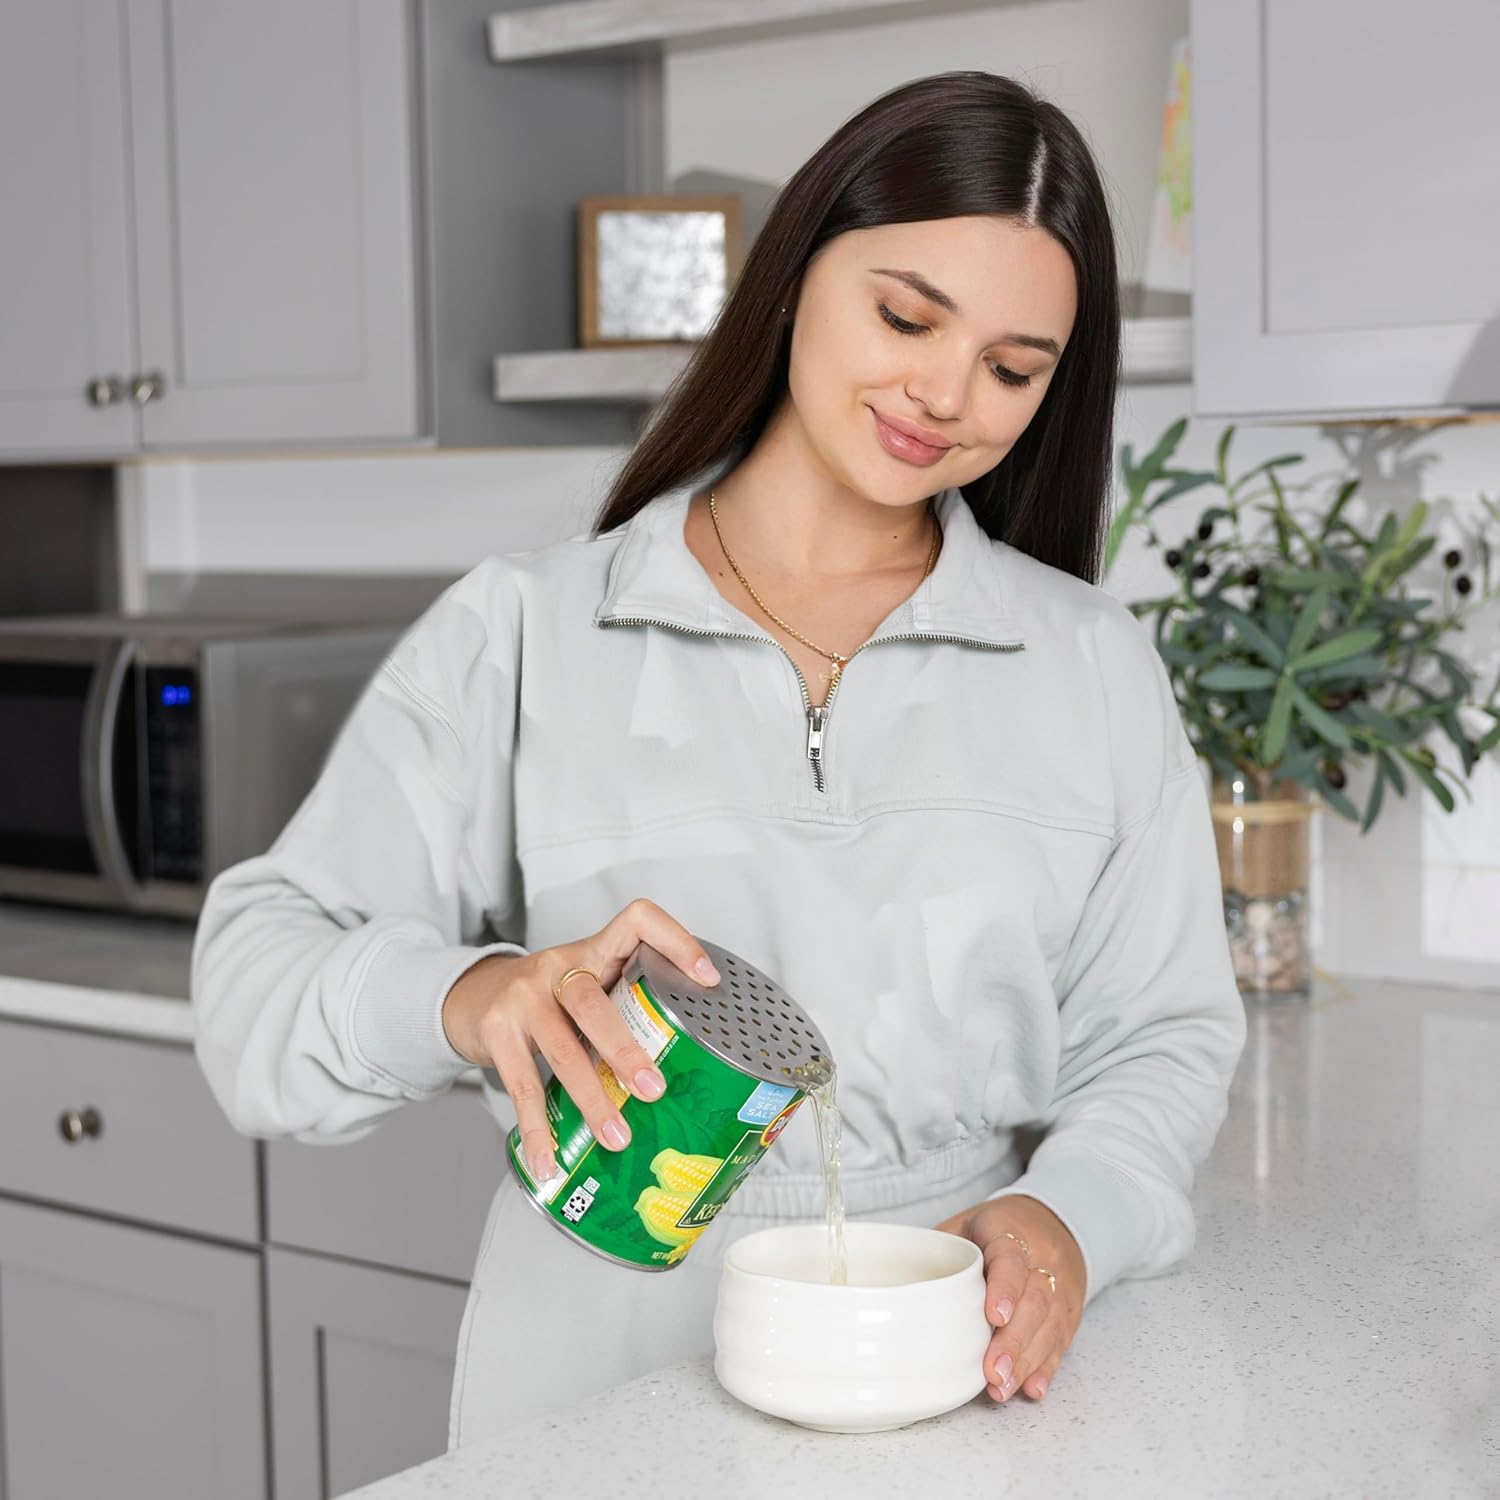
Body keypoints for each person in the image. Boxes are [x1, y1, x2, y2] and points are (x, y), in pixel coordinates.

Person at [190, 69, 1246, 1449]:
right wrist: (475, 995)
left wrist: (1070, 1218)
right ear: (795, 276)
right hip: (591, 1355)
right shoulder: (527, 630)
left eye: (1011, 369)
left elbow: (1164, 1034)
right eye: (905, 317)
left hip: (948, 1349)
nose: (944, 393)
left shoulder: (1092, 664)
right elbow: (253, 990)